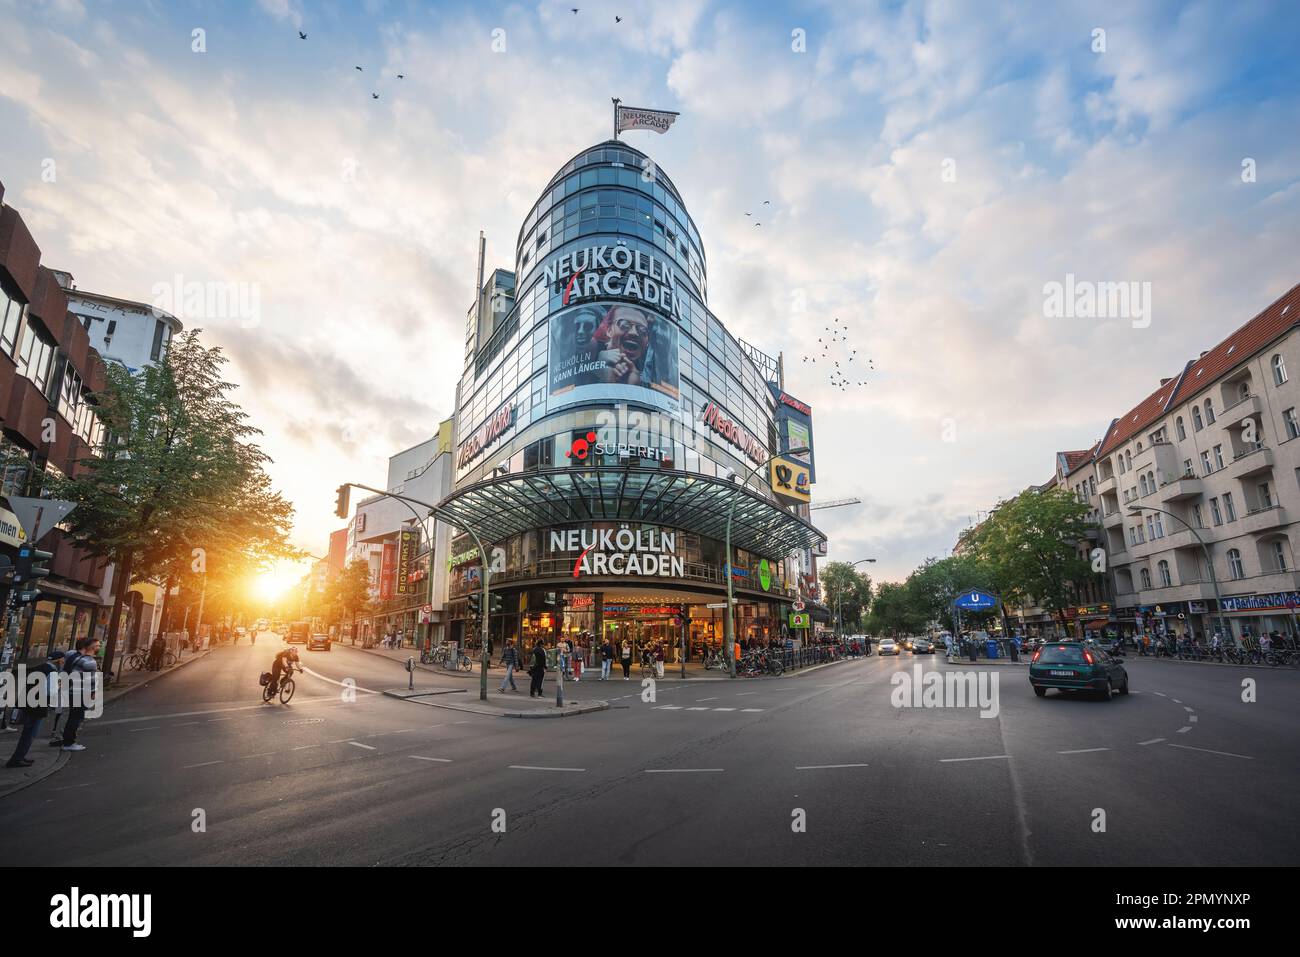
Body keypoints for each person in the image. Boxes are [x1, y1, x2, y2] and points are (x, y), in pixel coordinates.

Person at [6, 649, 64, 768]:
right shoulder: (52, 672)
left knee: (27, 732)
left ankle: (19, 757)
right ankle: (17, 758)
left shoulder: (39, 667)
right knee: (30, 733)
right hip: (38, 705)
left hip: (27, 702)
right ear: (59, 660)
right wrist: (59, 686)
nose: (64, 662)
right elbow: (50, 691)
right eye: (63, 660)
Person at [59, 636, 101, 752]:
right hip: (81, 693)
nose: (99, 647)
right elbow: (91, 680)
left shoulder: (79, 658)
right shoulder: (89, 661)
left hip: (74, 691)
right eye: (97, 645)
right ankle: (69, 743)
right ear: (92, 647)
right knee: (76, 718)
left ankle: (67, 741)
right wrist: (93, 692)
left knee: (73, 716)